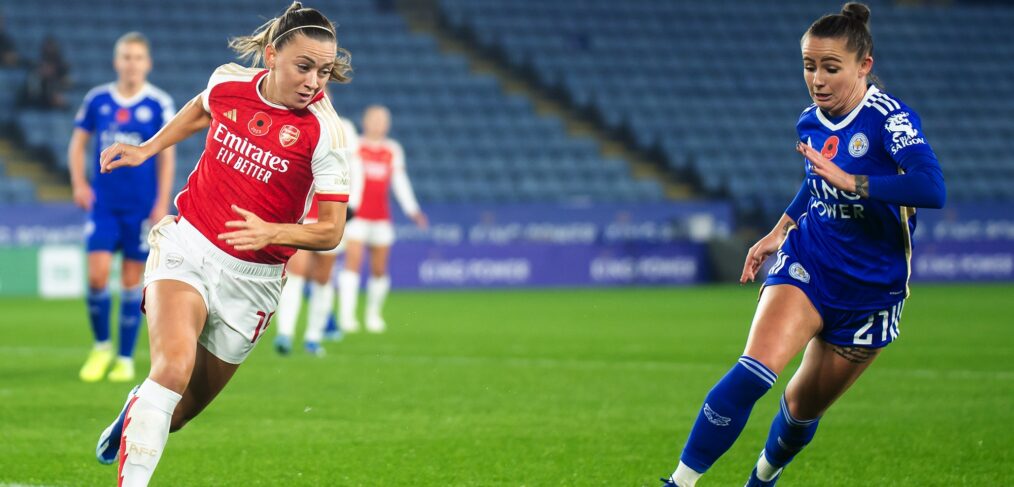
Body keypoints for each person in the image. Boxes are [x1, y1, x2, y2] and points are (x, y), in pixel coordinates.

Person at [661, 3, 946, 486]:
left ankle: (761, 480)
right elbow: (815, 182)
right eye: (809, 66)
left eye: (830, 68)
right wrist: (781, 228)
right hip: (811, 261)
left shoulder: (890, 120)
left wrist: (855, 182)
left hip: (871, 293)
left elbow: (932, 188)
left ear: (864, 66)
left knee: (798, 412)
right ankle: (679, 482)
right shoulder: (810, 120)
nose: (817, 79)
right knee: (754, 370)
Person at [91, 3, 353, 485]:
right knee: (172, 369)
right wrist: (148, 147)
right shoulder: (230, 81)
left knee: (180, 411)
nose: (315, 81)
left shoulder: (326, 133)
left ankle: (133, 413)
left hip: (253, 282)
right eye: (304, 66)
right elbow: (201, 107)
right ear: (272, 55)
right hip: (188, 245)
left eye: (324, 70)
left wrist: (273, 232)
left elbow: (331, 229)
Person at [70, 32, 176, 383]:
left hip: (140, 208)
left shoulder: (158, 103)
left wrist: (161, 201)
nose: (132, 64)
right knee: (97, 276)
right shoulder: (97, 99)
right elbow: (78, 143)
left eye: (138, 58)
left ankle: (125, 358)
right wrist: (79, 183)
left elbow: (166, 155)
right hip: (104, 207)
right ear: (117, 61)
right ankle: (101, 347)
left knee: (132, 282)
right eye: (126, 57)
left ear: (148, 63)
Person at [273, 114, 360, 356]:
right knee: (296, 272)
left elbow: (352, 166)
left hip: (330, 211)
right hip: (303, 214)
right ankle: (285, 334)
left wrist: (353, 205)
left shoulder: (344, 127)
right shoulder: (292, 124)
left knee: (323, 277)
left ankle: (313, 336)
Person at [338, 105, 426, 333]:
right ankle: (347, 317)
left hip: (381, 217)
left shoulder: (392, 150)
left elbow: (399, 181)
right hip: (356, 216)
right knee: (353, 263)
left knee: (379, 268)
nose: (378, 123)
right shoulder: (355, 146)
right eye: (374, 119)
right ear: (365, 121)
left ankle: (373, 315)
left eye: (382, 120)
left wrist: (412, 209)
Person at [24, 36, 70, 108]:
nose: (48, 69)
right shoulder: (35, 77)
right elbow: (32, 95)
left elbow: (67, 84)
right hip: (39, 106)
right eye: (46, 67)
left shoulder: (61, 71)